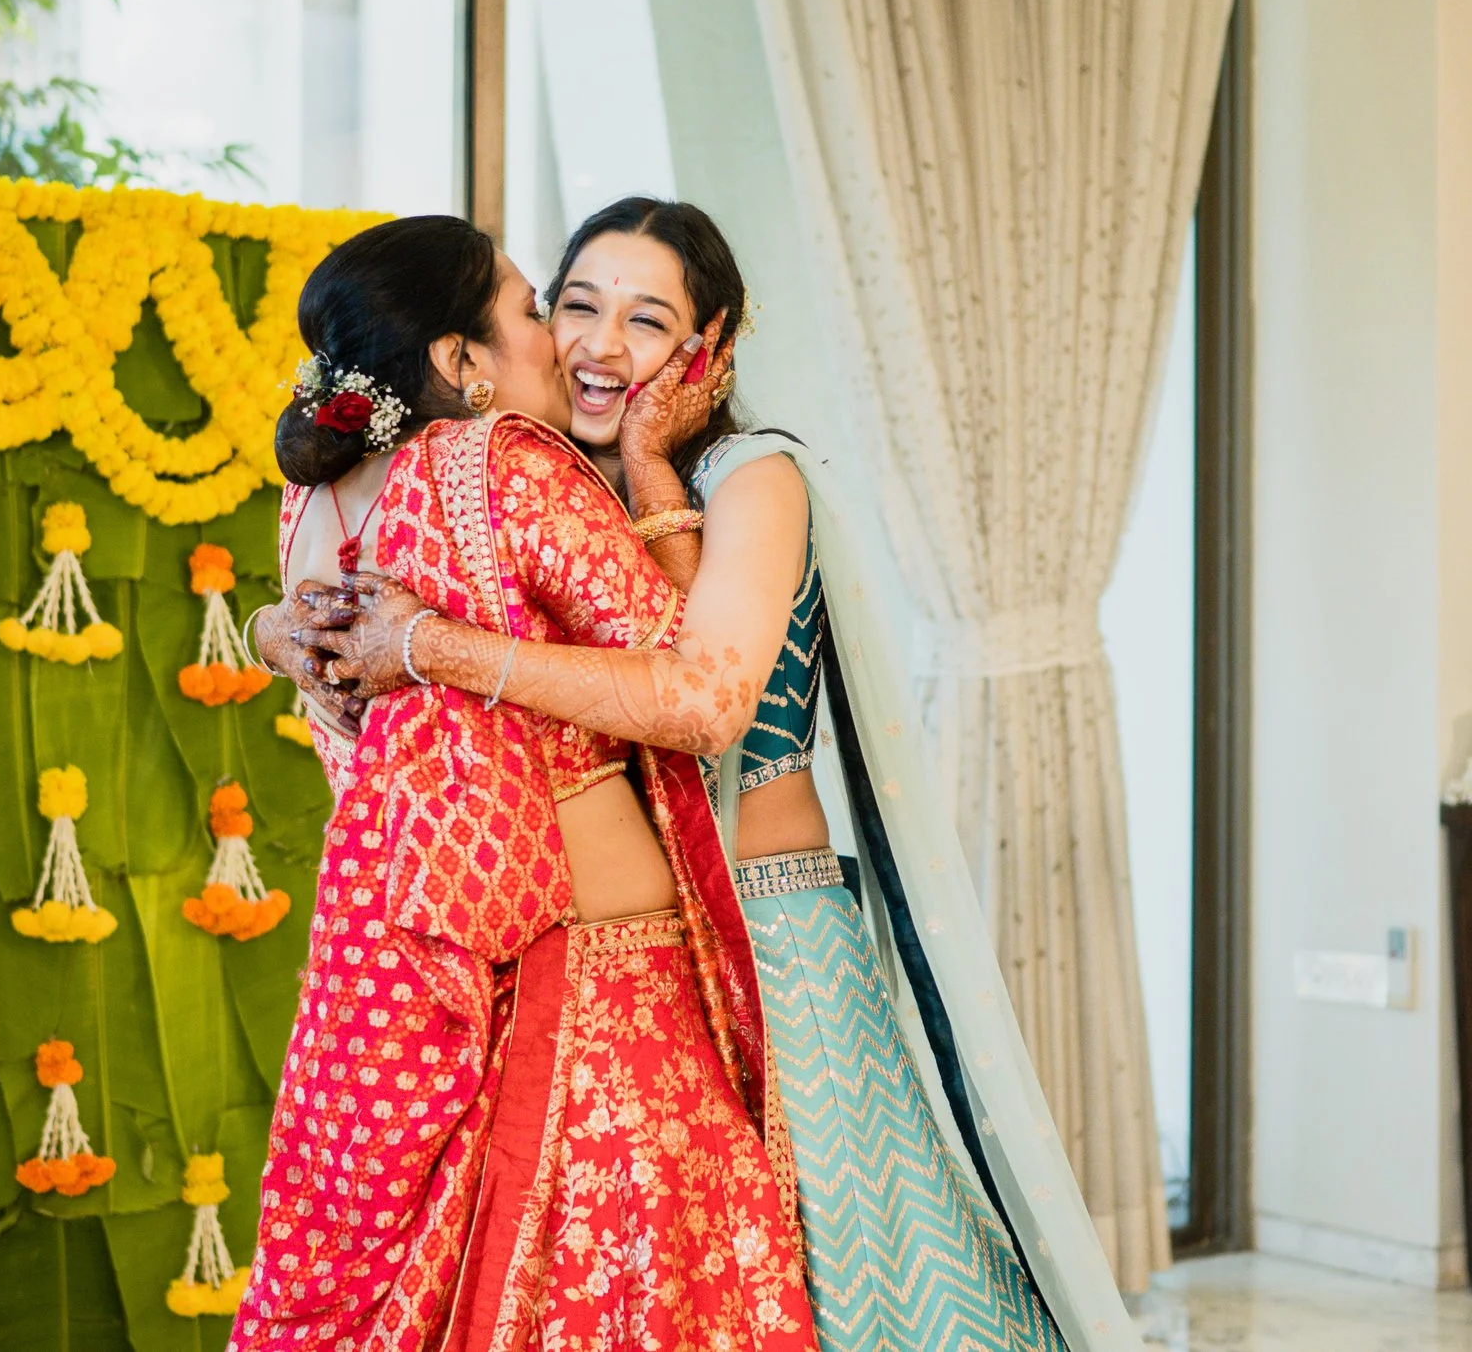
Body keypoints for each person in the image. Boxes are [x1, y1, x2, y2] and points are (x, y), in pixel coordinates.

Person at [271, 200, 1133, 1352]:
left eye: (648, 319)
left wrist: (638, 478)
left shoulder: (746, 476)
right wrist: (284, 626)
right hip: (585, 955)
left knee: (837, 1284)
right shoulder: (510, 471)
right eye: (570, 305)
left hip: (769, 932)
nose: (597, 343)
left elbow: (706, 705)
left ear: (708, 347)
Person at [229, 216, 816, 1352]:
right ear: (461, 362)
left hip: (427, 963)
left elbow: (337, 682)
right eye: (544, 306)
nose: (568, 340)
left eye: (636, 316)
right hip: (603, 975)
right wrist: (646, 477)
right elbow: (689, 683)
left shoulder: (312, 506)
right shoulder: (502, 461)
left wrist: (276, 633)